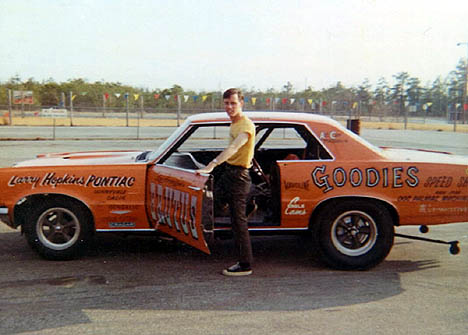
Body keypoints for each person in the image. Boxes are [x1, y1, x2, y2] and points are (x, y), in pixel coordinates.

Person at [196, 88, 255, 276]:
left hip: (239, 178)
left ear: (241, 103)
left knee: (238, 222)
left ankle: (245, 265)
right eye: (226, 103)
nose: (229, 107)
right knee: (213, 201)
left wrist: (212, 164)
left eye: (233, 103)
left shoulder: (246, 126)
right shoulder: (234, 123)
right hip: (230, 173)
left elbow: (233, 148)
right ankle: (248, 207)